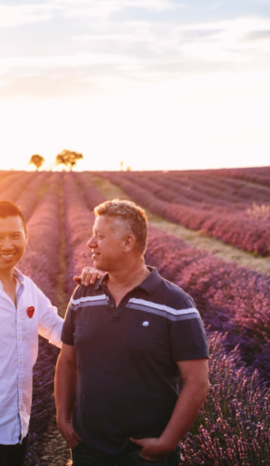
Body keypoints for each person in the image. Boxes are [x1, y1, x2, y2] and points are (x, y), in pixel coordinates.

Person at [0, 200, 102, 466]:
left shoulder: (29, 289)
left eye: (15, 236)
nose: (7, 245)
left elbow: (61, 332)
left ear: (26, 237)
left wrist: (90, 293)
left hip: (18, 430)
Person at [55, 199, 210, 465]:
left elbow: (197, 382)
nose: (90, 243)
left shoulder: (175, 304)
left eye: (100, 236)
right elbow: (67, 361)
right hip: (88, 450)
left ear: (128, 243)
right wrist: (62, 420)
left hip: (143, 456)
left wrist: (166, 443)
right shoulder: (83, 294)